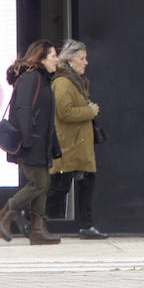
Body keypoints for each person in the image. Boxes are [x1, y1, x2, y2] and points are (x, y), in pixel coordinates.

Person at [0, 39, 63, 245]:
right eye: (53, 56)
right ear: (42, 57)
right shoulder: (32, 78)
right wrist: (28, 138)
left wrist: (53, 145)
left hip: (41, 142)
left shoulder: (42, 79)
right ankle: (3, 216)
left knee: (42, 184)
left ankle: (38, 230)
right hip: (31, 142)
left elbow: (47, 117)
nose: (57, 59)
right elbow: (24, 109)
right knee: (39, 183)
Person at [45, 39, 108, 239]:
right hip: (69, 146)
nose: (86, 62)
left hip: (79, 146)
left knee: (86, 183)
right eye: (82, 58)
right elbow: (64, 112)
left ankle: (86, 225)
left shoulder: (76, 81)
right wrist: (89, 111)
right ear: (71, 61)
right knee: (60, 186)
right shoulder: (63, 82)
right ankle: (34, 218)